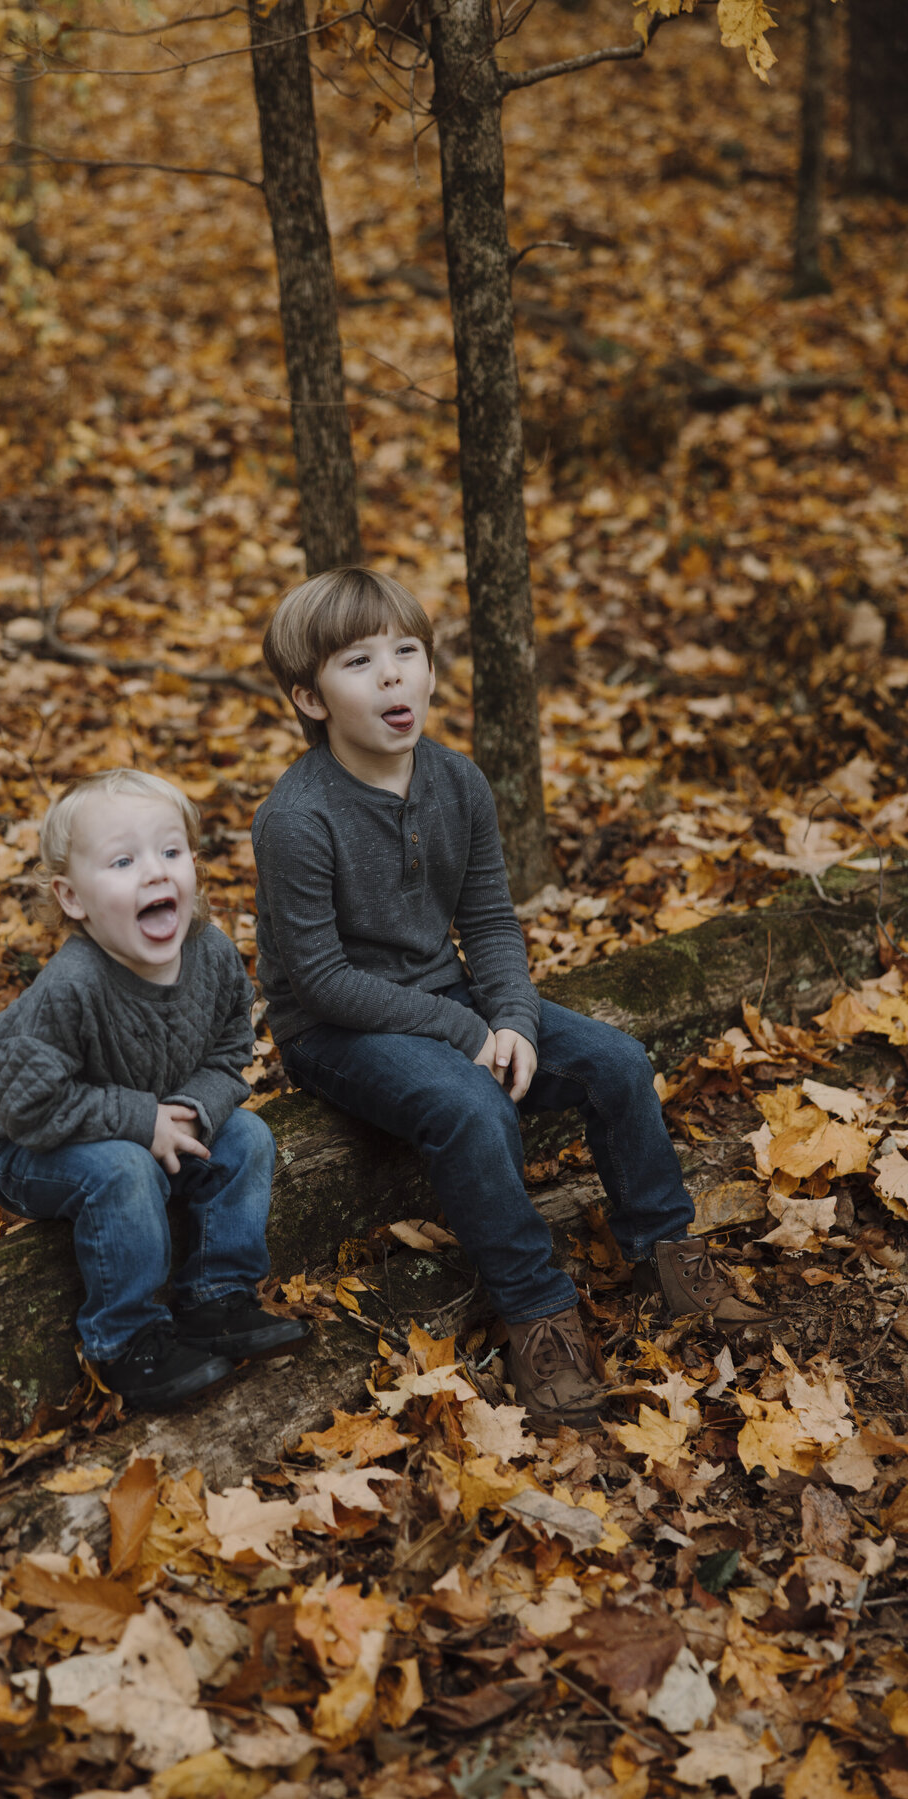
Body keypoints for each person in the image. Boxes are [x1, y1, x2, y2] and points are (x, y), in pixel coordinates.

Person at [251, 567, 772, 1432]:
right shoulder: (297, 817)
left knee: (614, 1060)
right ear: (309, 698)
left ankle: (666, 1248)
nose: (392, 675)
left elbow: (489, 920)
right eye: (359, 661)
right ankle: (538, 1313)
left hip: (445, 996)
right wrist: (466, 1031)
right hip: (332, 1029)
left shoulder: (458, 782)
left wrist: (514, 1018)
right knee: (472, 1104)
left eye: (407, 651)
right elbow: (320, 979)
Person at [0, 768, 309, 1411]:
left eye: (170, 852)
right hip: (30, 1147)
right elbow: (26, 1106)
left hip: (148, 1123)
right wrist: (140, 1119)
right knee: (121, 1168)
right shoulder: (73, 986)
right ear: (73, 898)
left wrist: (194, 1108)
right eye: (123, 861)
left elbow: (232, 1050)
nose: (155, 872)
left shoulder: (210, 956)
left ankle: (216, 1297)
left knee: (248, 1135)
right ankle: (126, 1338)